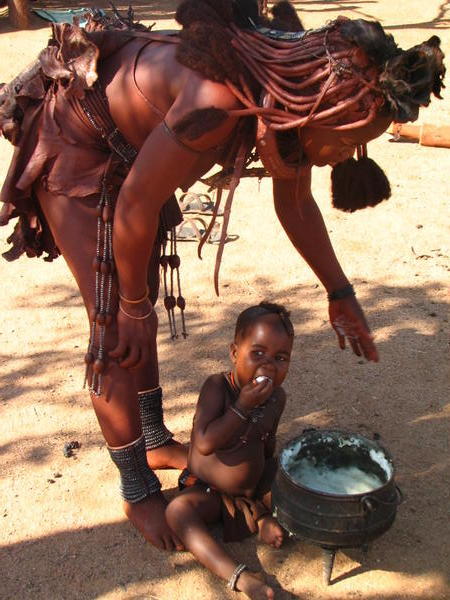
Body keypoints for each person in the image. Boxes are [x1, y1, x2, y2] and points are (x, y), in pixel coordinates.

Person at [0, 0, 444, 551]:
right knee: (115, 325)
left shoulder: (287, 102)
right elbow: (135, 207)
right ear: (322, 109)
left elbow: (298, 204)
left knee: (139, 305)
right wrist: (133, 308)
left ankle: (156, 437)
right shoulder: (216, 103)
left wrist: (340, 292)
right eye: (351, 139)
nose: (349, 154)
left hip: (132, 151)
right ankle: (138, 487)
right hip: (78, 140)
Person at [166, 302, 294, 600]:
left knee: (294, 473)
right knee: (177, 512)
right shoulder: (217, 388)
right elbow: (205, 442)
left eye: (281, 358)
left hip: (253, 488)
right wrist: (242, 407)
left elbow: (267, 444)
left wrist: (266, 489)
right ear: (235, 353)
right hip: (209, 491)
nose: (268, 366)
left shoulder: (277, 398)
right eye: (258, 353)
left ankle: (259, 515)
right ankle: (241, 577)